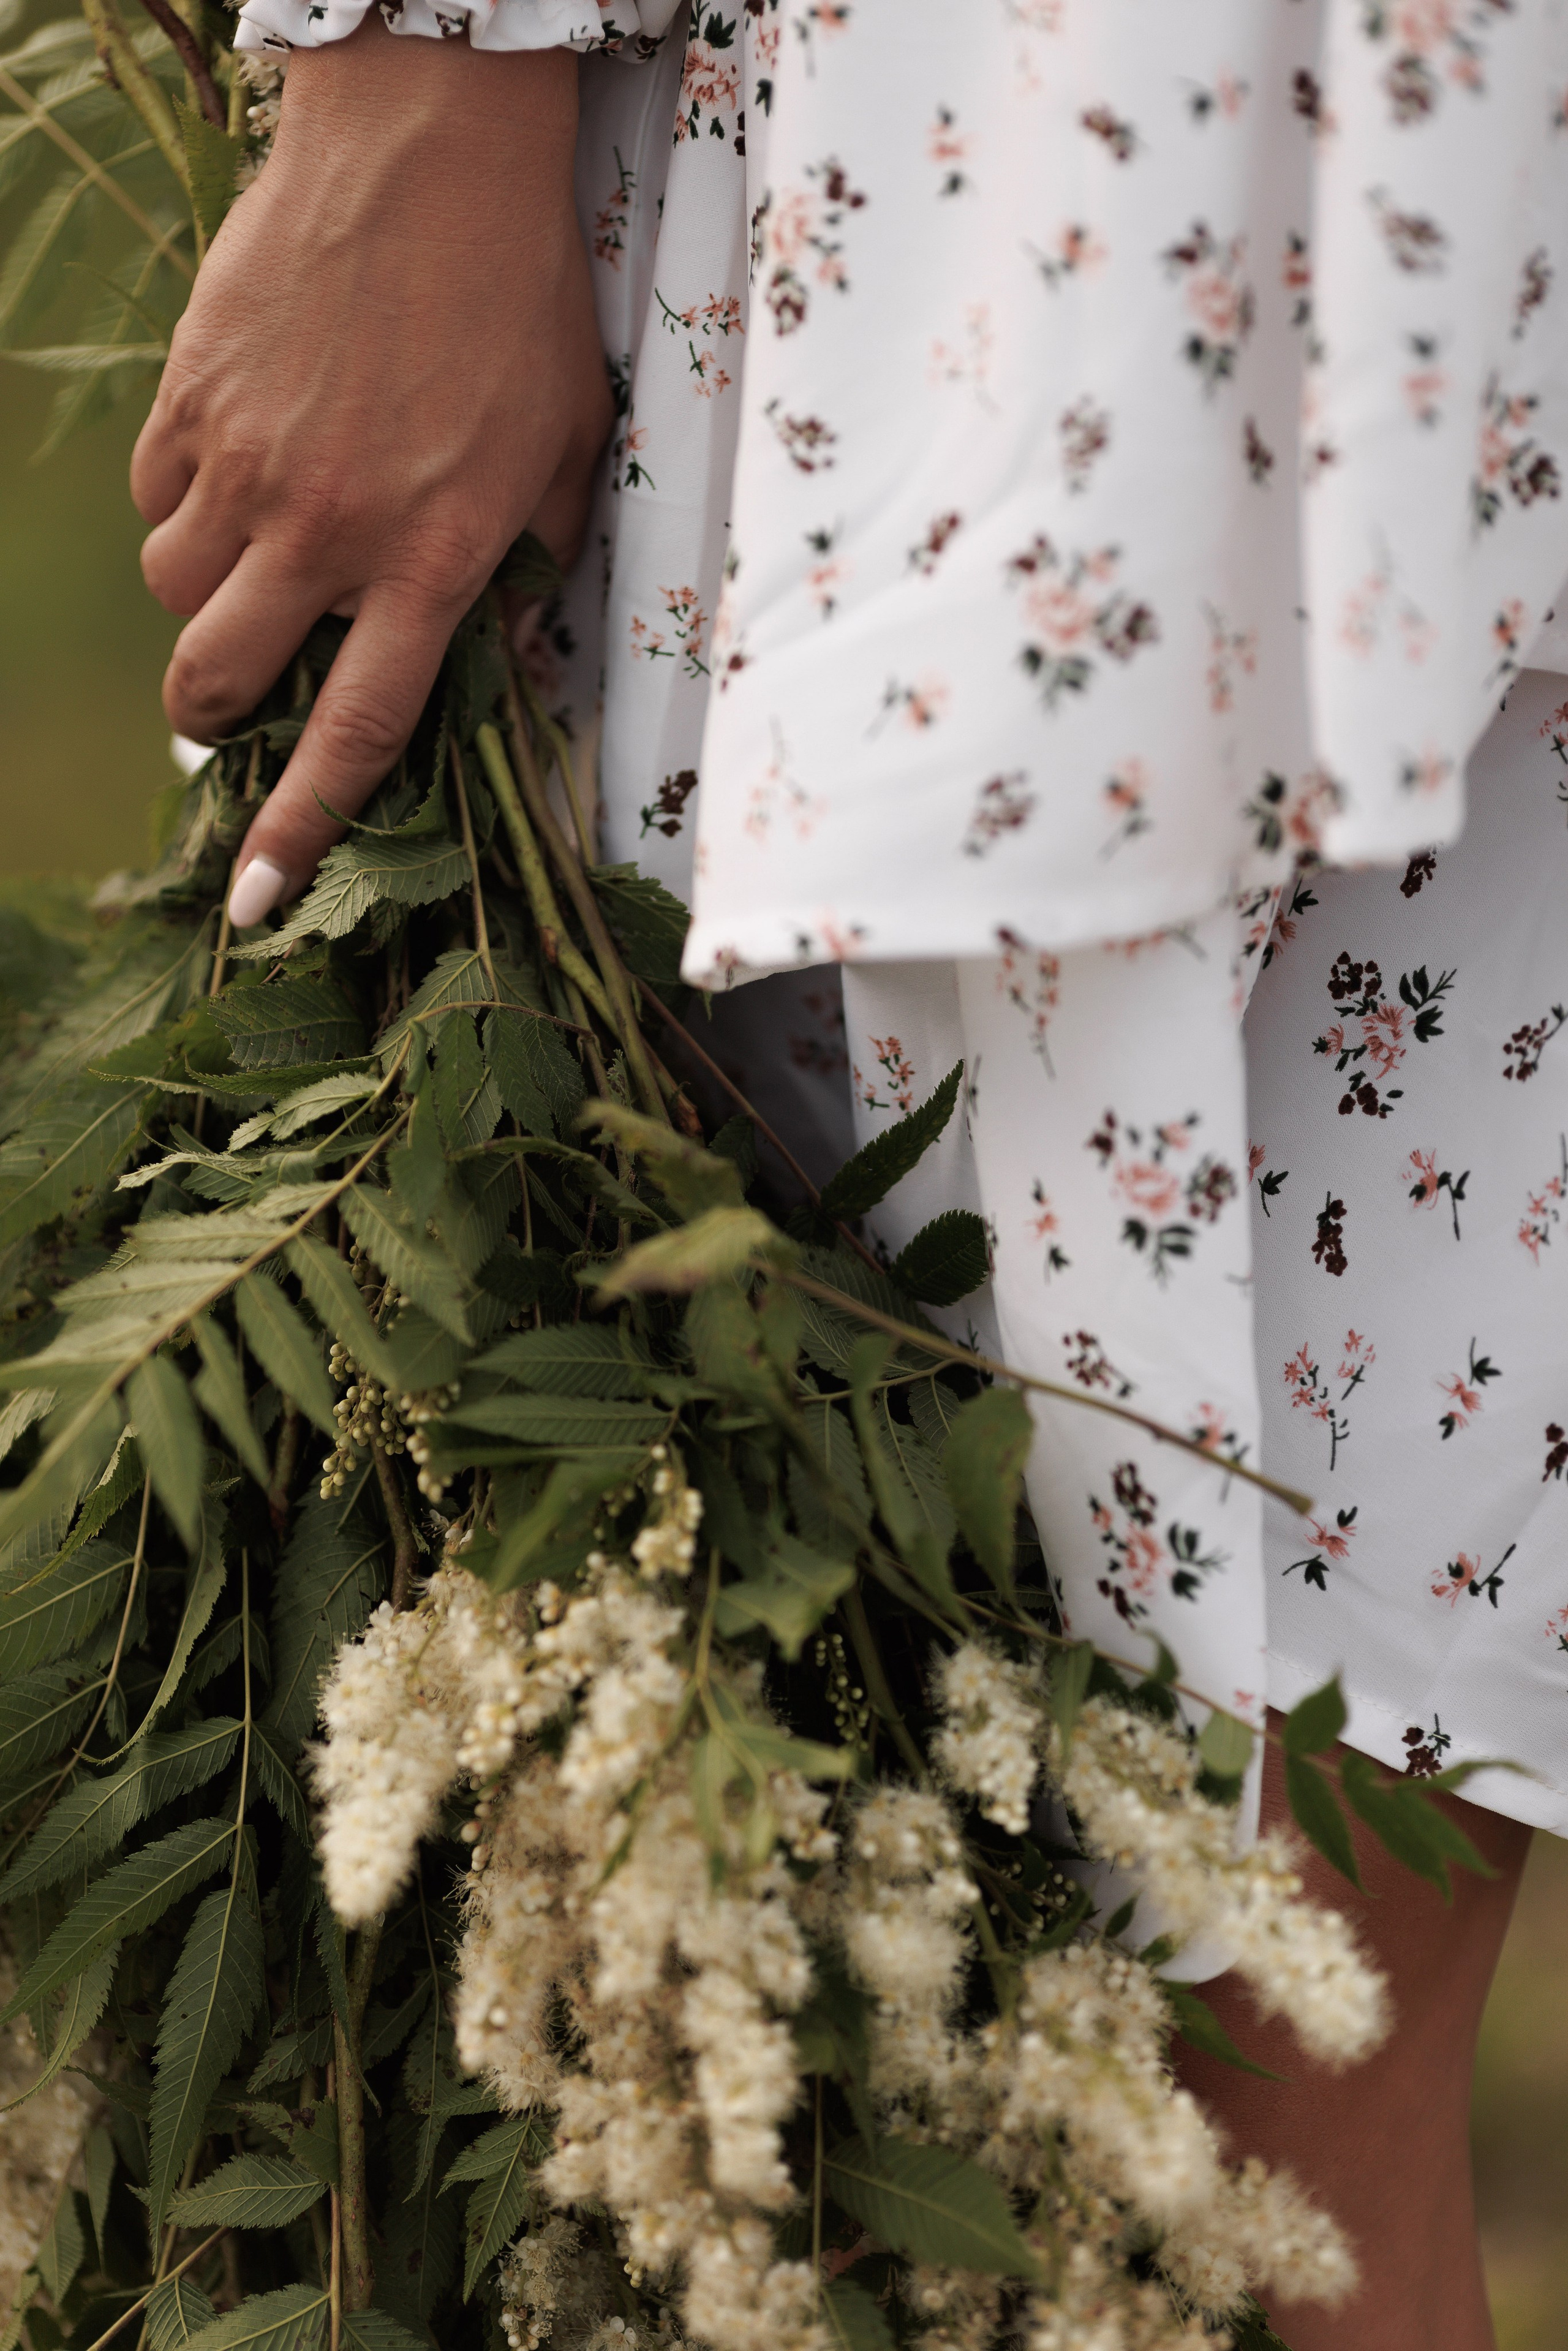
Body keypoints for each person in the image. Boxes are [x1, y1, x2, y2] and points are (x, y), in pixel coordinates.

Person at [130, 8, 1568, 2344]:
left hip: (1390, 234)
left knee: (1241, 2100)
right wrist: (424, 67)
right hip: (980, 222)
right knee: (1022, 2110)